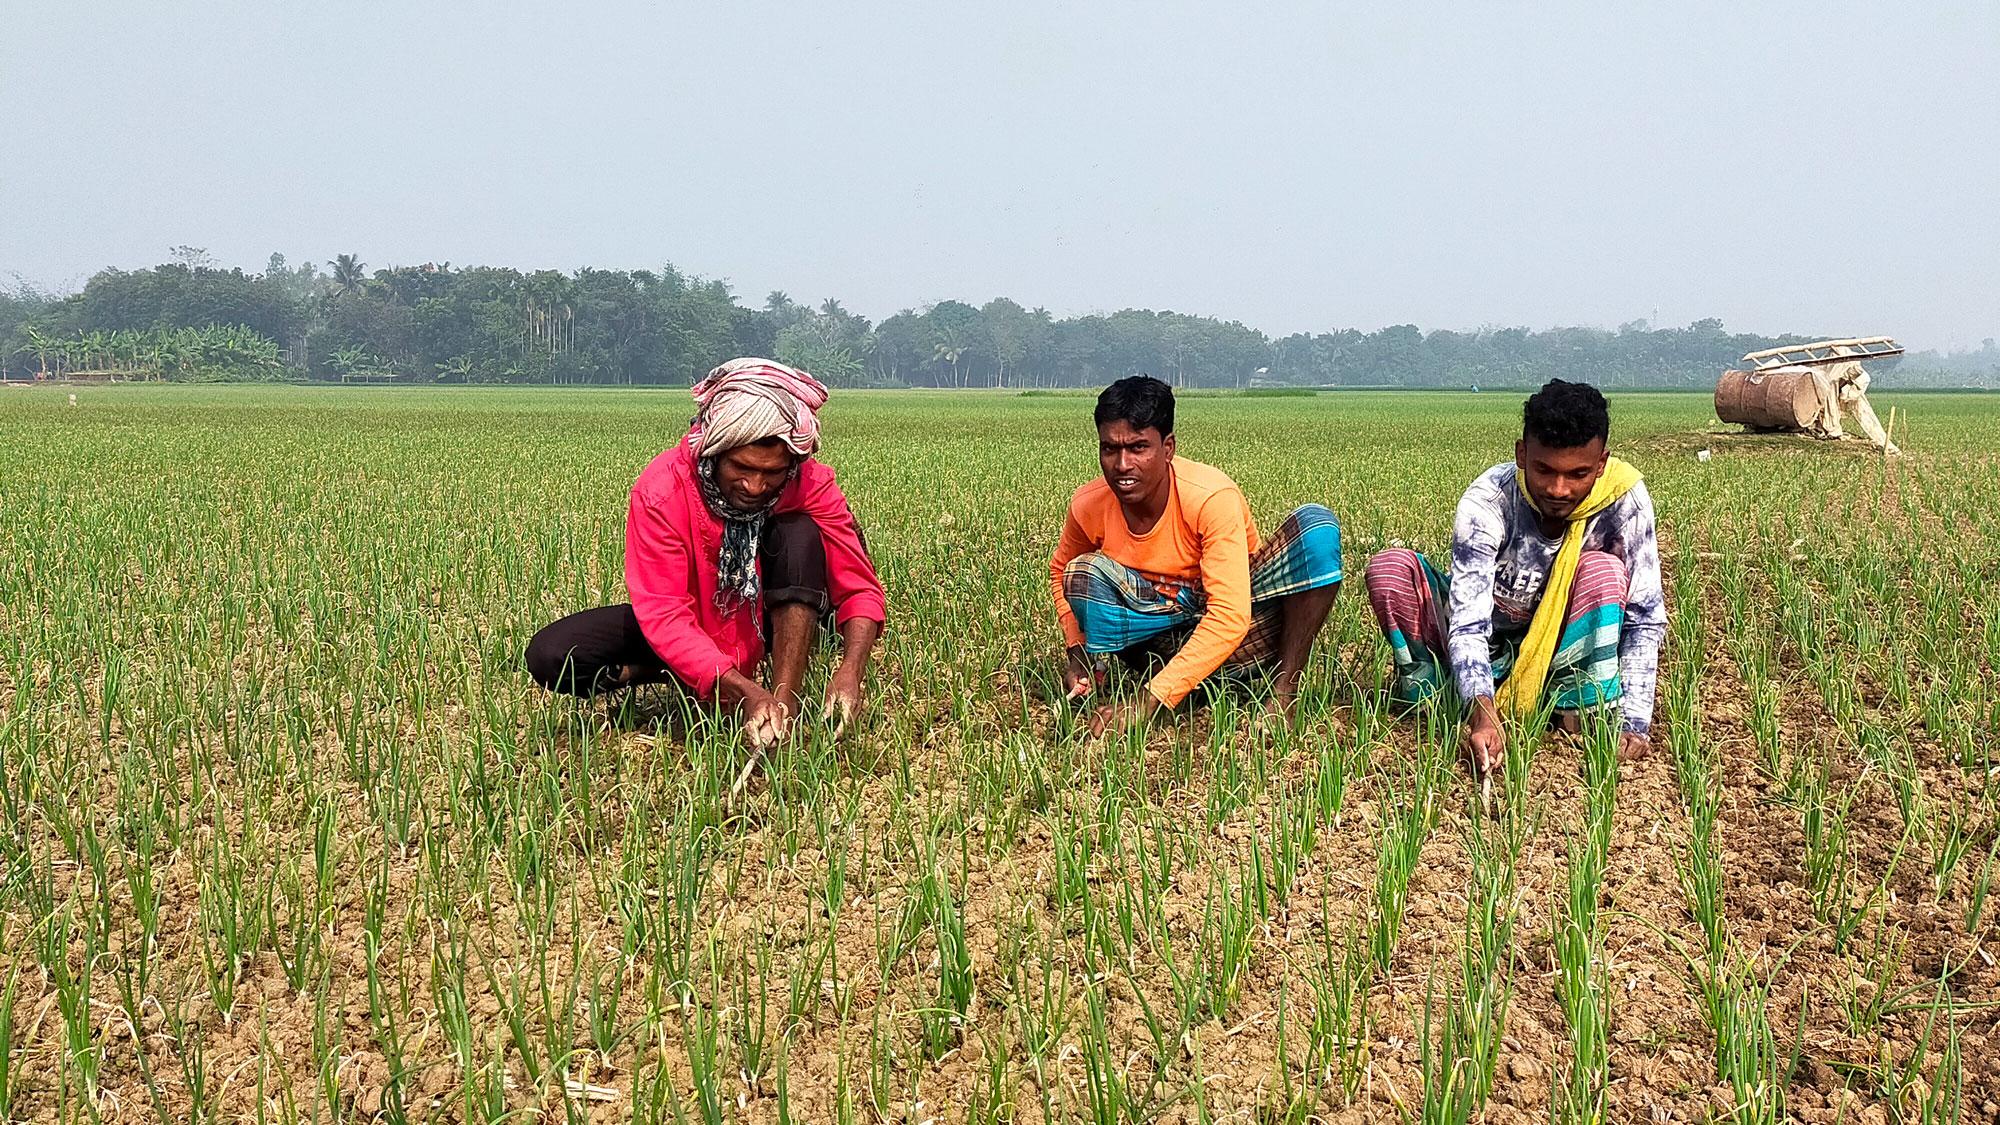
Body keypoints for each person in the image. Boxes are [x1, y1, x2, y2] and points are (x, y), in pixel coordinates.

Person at [526, 359, 885, 751]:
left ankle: (786, 701)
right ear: (715, 452)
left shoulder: (809, 483)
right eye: (742, 467)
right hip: (699, 619)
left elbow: (858, 587)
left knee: (799, 535)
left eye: (773, 473)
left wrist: (852, 670)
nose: (755, 485)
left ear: (792, 465)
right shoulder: (662, 491)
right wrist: (744, 689)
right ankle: (686, 674)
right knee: (554, 654)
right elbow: (665, 614)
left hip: (767, 612)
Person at [1363, 378, 1663, 772]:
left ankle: (1574, 704)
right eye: (1545, 470)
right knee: (1389, 570)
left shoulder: (1623, 501)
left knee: (1603, 569)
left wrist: (1635, 722)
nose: (1559, 488)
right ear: (1522, 454)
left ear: (1601, 464)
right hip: (1487, 642)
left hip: (1560, 648)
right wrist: (1483, 709)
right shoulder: (1489, 501)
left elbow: (1644, 615)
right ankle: (1441, 697)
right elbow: (1468, 624)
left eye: (1577, 474)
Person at [1050, 375, 1344, 736]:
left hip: (1243, 634)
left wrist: (1149, 700)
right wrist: (1077, 653)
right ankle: (1178, 680)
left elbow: (1229, 615)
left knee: (1316, 530)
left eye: (1138, 447)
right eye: (1110, 449)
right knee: (1081, 573)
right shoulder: (1087, 505)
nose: (1122, 464)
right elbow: (1059, 571)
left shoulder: (1209, 496)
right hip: (1157, 639)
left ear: (1168, 447)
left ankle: (1282, 693)